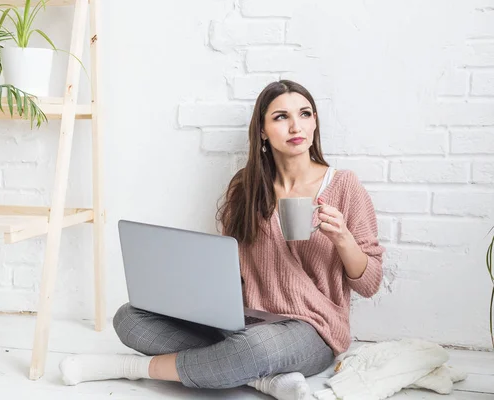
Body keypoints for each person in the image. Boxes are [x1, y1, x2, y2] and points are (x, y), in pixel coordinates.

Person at [59, 80, 385, 400]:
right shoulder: (246, 188)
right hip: (243, 321)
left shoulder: (343, 186)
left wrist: (343, 238)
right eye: (281, 117)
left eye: (305, 114)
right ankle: (262, 380)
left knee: (253, 349)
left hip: (312, 330)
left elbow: (369, 283)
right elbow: (228, 267)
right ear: (261, 131)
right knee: (129, 319)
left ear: (315, 123)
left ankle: (130, 367)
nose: (295, 125)